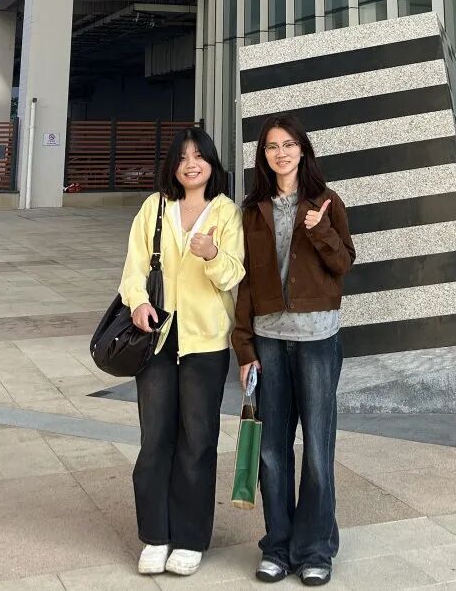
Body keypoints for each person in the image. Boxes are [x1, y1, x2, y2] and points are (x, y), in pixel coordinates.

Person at [232, 114, 355, 586]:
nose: (280, 153)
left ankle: (316, 549)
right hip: (269, 340)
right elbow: (245, 282)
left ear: (303, 150)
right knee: (271, 450)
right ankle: (278, 547)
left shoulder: (326, 202)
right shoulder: (252, 211)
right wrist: (244, 348)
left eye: (288, 145)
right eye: (271, 147)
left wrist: (319, 230)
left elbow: (344, 263)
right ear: (263, 156)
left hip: (317, 340)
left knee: (318, 450)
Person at [118, 126, 245, 577]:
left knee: (198, 440)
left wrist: (211, 254)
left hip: (205, 341)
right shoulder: (154, 207)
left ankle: (190, 538)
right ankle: (156, 534)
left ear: (212, 163)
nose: (191, 164)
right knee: (155, 438)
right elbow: (134, 267)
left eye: (199, 156)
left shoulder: (226, 212)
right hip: (156, 337)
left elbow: (234, 275)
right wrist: (138, 302)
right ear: (173, 166)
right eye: (183, 157)